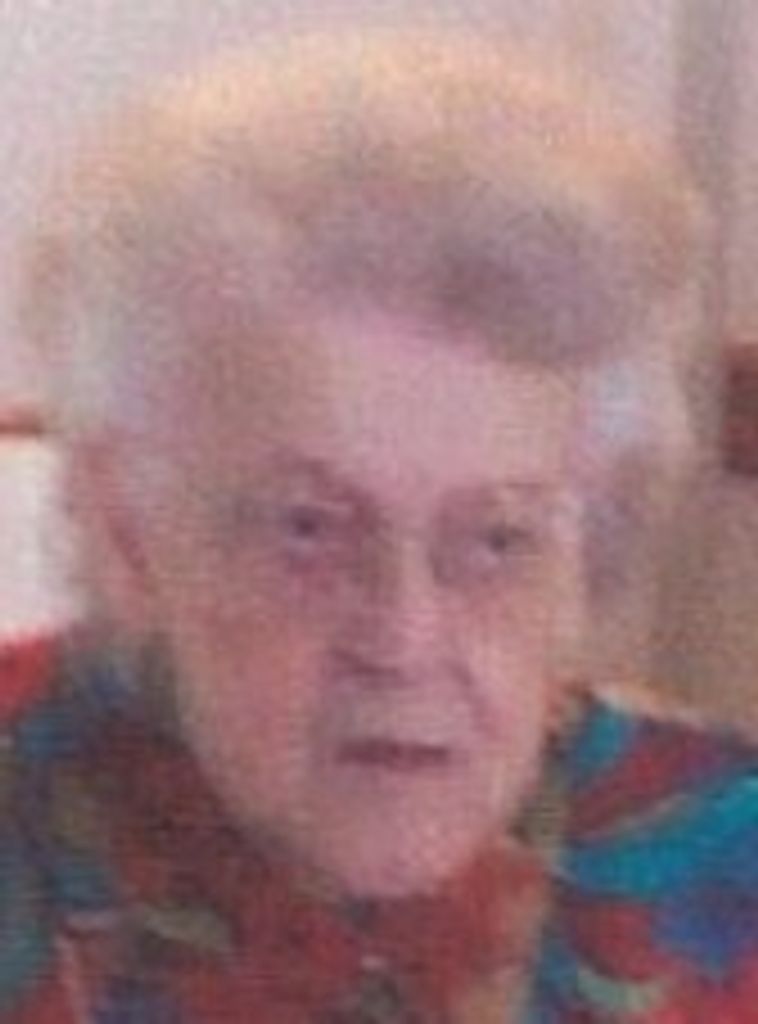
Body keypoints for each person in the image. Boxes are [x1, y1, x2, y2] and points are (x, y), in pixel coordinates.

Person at [4, 28, 758, 1023]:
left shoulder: (720, 851)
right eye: (309, 529)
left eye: (496, 538)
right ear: (130, 530)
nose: (404, 640)